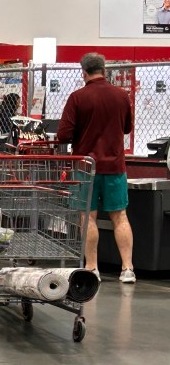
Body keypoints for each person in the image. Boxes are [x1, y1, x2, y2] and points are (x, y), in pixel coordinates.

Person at [57, 52, 135, 283]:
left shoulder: (78, 98)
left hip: (85, 166)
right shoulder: (122, 95)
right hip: (115, 166)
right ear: (104, 69)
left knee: (87, 217)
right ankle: (128, 269)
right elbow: (127, 128)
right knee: (120, 216)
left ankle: (92, 268)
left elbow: (63, 134)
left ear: (84, 72)